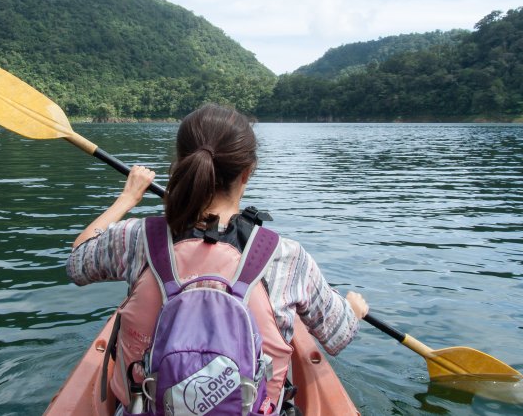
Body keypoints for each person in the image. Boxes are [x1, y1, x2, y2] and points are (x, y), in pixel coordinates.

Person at [67, 104, 369, 411]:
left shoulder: (135, 239)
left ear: (181, 164)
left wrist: (127, 198)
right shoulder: (287, 257)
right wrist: (353, 311)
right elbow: (337, 335)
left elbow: (77, 263)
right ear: (247, 172)